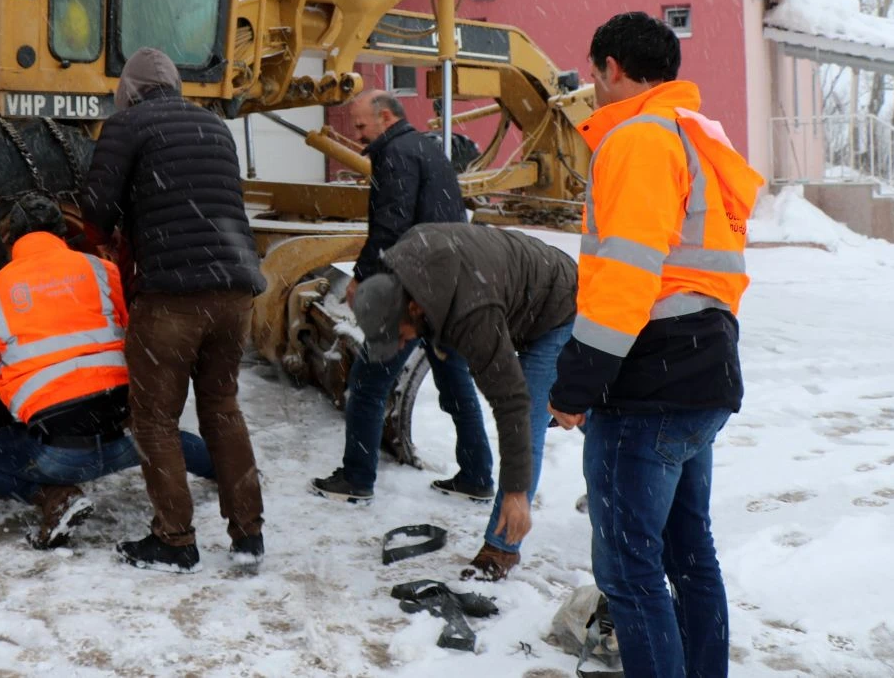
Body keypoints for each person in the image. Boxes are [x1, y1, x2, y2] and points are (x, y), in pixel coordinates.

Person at [548, 12, 762, 677]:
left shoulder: (638, 138)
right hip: (704, 370)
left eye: (592, 72)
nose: (589, 85)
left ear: (613, 68)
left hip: (650, 383)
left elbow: (626, 277)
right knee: (689, 555)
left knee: (629, 569)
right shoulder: (694, 135)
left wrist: (574, 385)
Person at [80, 47, 268, 572]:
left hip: (171, 296)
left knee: (156, 420)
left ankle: (175, 540)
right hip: (234, 291)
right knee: (222, 406)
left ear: (129, 91)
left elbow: (96, 207)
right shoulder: (214, 128)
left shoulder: (126, 125)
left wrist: (103, 237)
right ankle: (248, 532)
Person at [0, 194, 216, 549]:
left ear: (10, 240)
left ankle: (54, 496)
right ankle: (227, 470)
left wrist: (30, 395)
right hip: (126, 434)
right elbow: (133, 332)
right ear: (62, 232)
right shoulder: (101, 270)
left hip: (58, 452)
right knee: (171, 440)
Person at [352, 223, 578, 582]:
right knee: (567, 405)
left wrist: (516, 492)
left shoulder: (472, 312)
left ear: (412, 307)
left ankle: (501, 548)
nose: (399, 347)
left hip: (556, 306)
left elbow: (511, 404)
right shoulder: (403, 272)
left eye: (399, 337)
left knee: (532, 416)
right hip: (512, 286)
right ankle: (603, 426)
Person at [312, 90, 494, 505]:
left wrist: (363, 275)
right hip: (450, 284)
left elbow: (392, 225)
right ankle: (477, 476)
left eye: (361, 126)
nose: (357, 136)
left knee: (368, 382)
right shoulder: (427, 151)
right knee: (454, 380)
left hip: (416, 289)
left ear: (387, 117)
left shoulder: (394, 155)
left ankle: (356, 478)